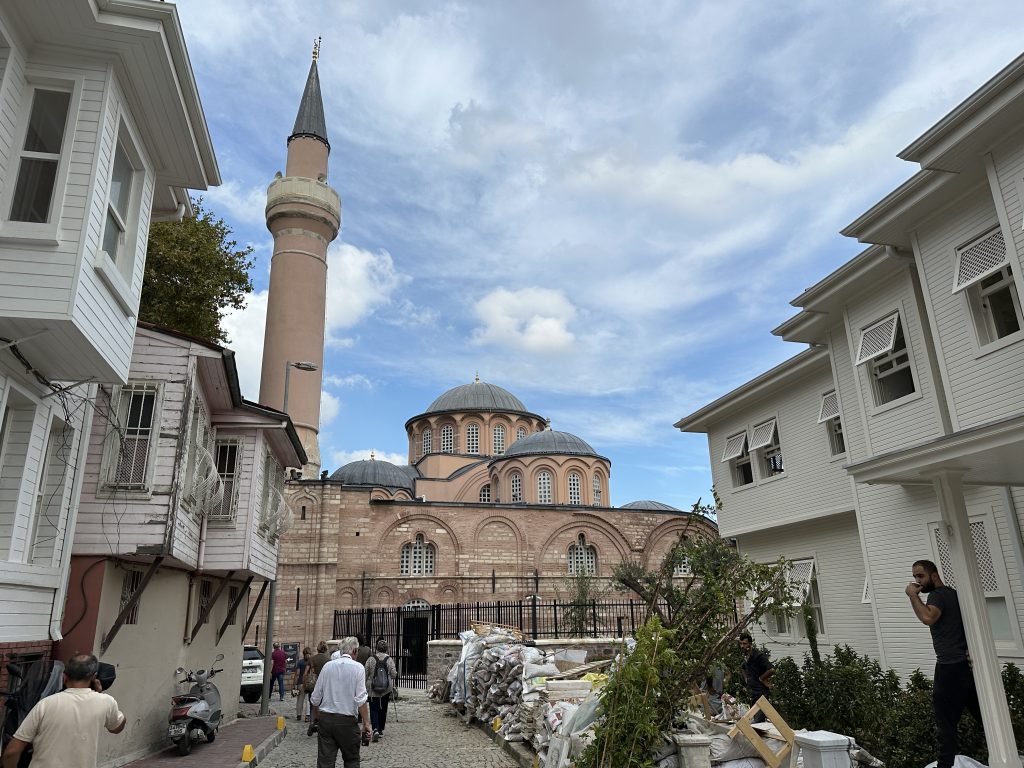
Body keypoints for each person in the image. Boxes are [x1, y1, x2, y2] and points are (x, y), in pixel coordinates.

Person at [906, 559, 984, 768]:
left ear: (933, 575)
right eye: (914, 577)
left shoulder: (937, 596)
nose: (917, 581)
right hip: (964, 667)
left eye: (920, 576)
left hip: (949, 667)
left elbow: (928, 617)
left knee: (945, 724)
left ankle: (944, 766)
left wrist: (912, 595)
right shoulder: (952, 594)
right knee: (984, 717)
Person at [2, 652, 126, 768]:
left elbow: (12, 752)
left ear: (64, 676)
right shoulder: (106, 702)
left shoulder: (46, 704)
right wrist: (99, 694)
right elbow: (117, 727)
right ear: (94, 677)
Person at [309, 636, 372, 768]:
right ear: (354, 651)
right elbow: (361, 700)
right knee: (351, 760)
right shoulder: (358, 668)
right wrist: (366, 723)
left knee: (325, 762)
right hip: (347, 721)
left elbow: (315, 698)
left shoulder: (327, 666)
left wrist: (316, 718)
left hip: (326, 719)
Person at [364, 639, 398, 741]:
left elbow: (365, 673)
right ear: (386, 648)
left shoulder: (371, 659)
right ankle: (381, 728)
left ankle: (375, 728)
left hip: (372, 688)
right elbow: (393, 674)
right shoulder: (389, 659)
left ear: (376, 648)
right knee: (383, 707)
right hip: (386, 688)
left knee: (373, 708)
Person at [738, 632, 774, 722]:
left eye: (744, 644)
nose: (742, 646)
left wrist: (761, 678)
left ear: (750, 644)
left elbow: (772, 670)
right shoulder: (747, 657)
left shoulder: (758, 656)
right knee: (755, 719)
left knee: (758, 721)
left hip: (761, 693)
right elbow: (742, 668)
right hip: (753, 693)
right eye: (741, 643)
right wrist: (746, 679)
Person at [308, 641, 330, 736]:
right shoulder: (328, 660)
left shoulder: (312, 659)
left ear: (317, 649)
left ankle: (312, 722)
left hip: (314, 684)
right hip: (325, 685)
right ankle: (322, 725)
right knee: (323, 706)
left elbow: (306, 673)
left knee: (313, 704)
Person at [295, 646, 313, 722]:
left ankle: (299, 715)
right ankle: (307, 716)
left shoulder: (300, 662)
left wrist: (294, 684)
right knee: (308, 700)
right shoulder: (312, 662)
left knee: (300, 699)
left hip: (300, 683)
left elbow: (297, 674)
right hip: (309, 682)